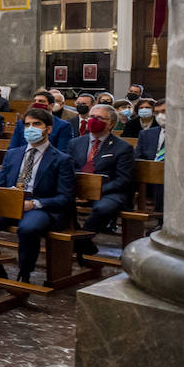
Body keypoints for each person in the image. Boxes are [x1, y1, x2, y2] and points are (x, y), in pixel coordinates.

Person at [0, 108, 76, 284]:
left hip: (41, 207)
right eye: (27, 125)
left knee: (28, 228)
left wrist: (34, 204)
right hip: (12, 202)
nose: (30, 128)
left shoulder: (61, 159)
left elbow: (65, 197)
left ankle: (25, 273)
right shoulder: (13, 154)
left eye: (36, 124)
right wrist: (7, 197)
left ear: (48, 129)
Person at [68, 103, 136, 262]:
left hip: (109, 192)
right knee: (60, 204)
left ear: (111, 124)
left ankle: (80, 241)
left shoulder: (123, 147)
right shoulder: (75, 143)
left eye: (100, 118)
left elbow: (123, 179)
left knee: (102, 208)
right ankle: (84, 244)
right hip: (79, 190)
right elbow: (68, 169)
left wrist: (95, 192)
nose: (94, 120)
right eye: (92, 117)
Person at [6, 91, 72, 153]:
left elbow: (62, 151)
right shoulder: (21, 123)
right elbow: (12, 147)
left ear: (51, 105)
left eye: (41, 101)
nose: (36, 104)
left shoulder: (63, 126)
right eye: (35, 101)